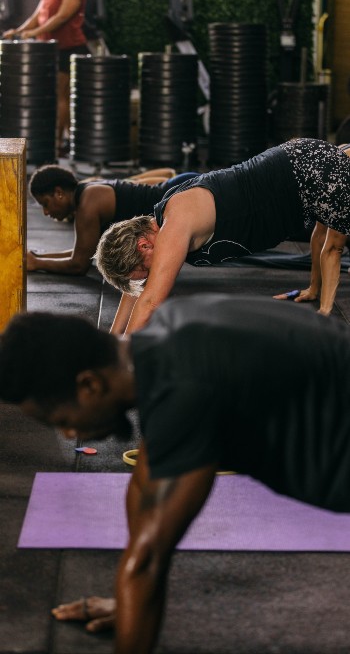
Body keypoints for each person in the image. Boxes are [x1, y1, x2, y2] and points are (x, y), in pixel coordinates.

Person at [1, 295, 350, 649]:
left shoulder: (182, 384)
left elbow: (149, 560)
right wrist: (129, 602)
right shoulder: (166, 337)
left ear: (89, 385)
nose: (70, 435)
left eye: (62, 421)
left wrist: (136, 593)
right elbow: (145, 488)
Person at [94, 138, 350, 335]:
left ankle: (325, 311)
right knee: (323, 230)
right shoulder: (160, 221)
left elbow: (150, 301)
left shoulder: (176, 224)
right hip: (298, 168)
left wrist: (121, 357)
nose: (150, 278)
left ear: (143, 245)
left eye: (145, 272)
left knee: (335, 245)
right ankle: (315, 289)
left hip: (307, 172)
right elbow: (138, 292)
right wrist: (111, 339)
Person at [27, 164, 197, 276]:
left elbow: (79, 264)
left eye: (46, 204)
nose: (46, 212)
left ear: (59, 193)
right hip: (181, 190)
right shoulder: (87, 191)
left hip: (184, 195)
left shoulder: (88, 205)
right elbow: (83, 251)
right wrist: (39, 255)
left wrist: (37, 263)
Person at [3, 0, 89, 153]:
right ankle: (64, 142)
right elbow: (37, 17)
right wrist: (18, 31)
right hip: (48, 51)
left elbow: (61, 17)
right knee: (53, 97)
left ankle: (61, 143)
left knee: (61, 96)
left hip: (68, 49)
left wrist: (33, 33)